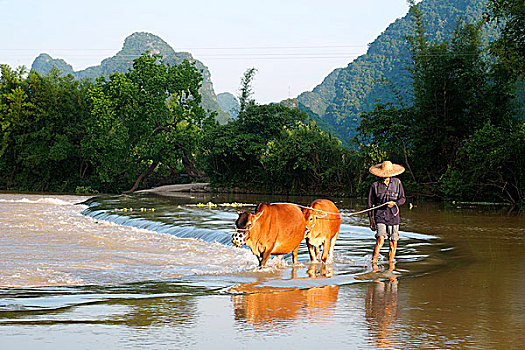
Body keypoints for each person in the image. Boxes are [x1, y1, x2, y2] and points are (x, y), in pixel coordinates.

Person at [367, 161, 406, 268]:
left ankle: (391, 265)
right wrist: (371, 221)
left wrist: (395, 203)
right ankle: (374, 264)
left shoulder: (397, 183)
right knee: (381, 239)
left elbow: (402, 199)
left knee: (393, 241)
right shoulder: (375, 185)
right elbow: (370, 204)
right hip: (380, 215)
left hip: (393, 215)